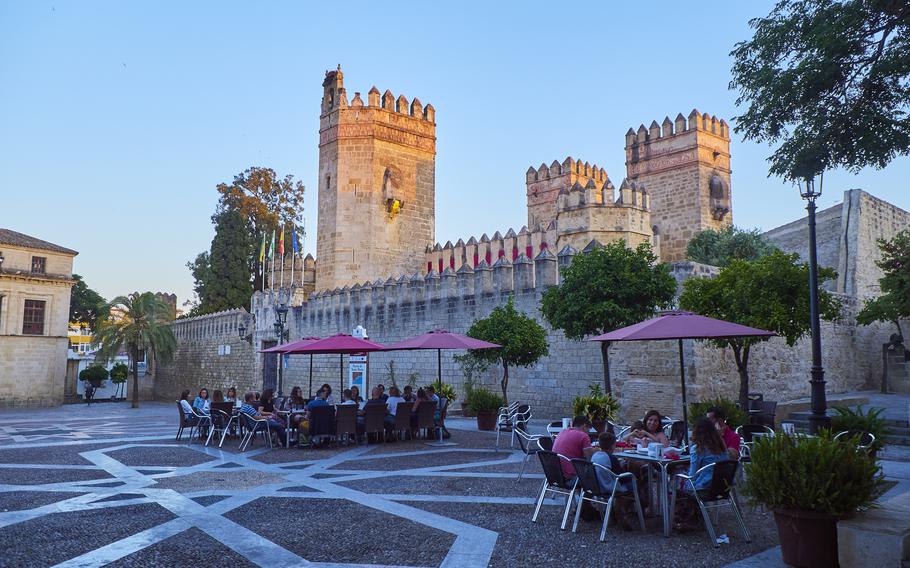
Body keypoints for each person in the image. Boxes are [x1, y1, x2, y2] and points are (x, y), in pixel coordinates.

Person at [675, 418, 729, 531]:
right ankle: (695, 515)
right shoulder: (722, 447)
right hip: (722, 487)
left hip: (705, 488)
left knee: (676, 483)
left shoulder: (697, 449)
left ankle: (687, 519)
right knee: (685, 483)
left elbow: (693, 475)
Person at [592, 432, 638, 530]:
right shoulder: (611, 458)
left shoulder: (595, 455)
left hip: (597, 486)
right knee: (635, 483)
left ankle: (618, 510)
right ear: (613, 445)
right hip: (610, 488)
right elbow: (622, 477)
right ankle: (622, 510)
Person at [551, 415, 597, 480]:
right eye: (588, 430)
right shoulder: (583, 436)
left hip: (555, 473)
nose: (588, 432)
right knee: (599, 471)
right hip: (571, 475)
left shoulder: (562, 432)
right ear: (584, 427)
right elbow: (591, 459)